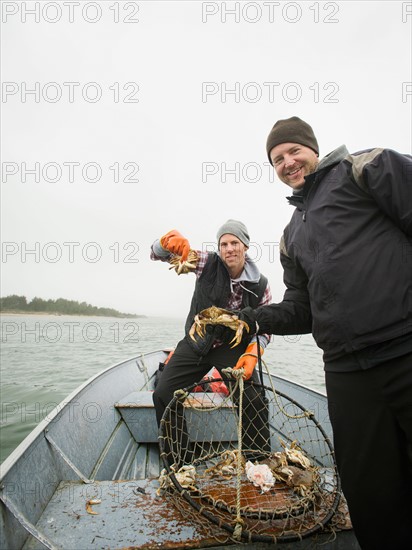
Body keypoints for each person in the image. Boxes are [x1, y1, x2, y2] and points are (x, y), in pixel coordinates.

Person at [246, 116, 412, 550]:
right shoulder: (290, 235)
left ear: (313, 149)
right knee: (369, 492)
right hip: (346, 372)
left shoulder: (367, 169)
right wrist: (253, 319)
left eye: (293, 151)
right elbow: (303, 310)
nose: (287, 162)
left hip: (405, 348)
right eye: (277, 159)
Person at [150, 219, 272, 463]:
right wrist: (164, 243)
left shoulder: (260, 286)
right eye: (224, 244)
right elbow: (157, 255)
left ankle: (257, 462)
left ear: (245, 246)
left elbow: (266, 327)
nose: (229, 249)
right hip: (197, 342)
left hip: (233, 347)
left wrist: (253, 353)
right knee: (163, 393)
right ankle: (179, 462)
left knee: (253, 398)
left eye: (234, 243)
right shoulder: (207, 263)